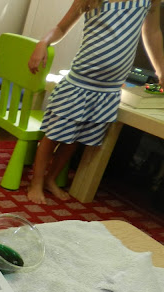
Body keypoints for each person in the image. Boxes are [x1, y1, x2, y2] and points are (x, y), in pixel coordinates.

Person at [27, 0, 164, 204]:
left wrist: (161, 71)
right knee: (53, 135)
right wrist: (43, 43)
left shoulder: (148, 1)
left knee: (75, 139)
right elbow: (61, 28)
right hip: (79, 83)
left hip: (108, 90)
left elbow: (152, 33)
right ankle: (36, 182)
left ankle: (50, 179)